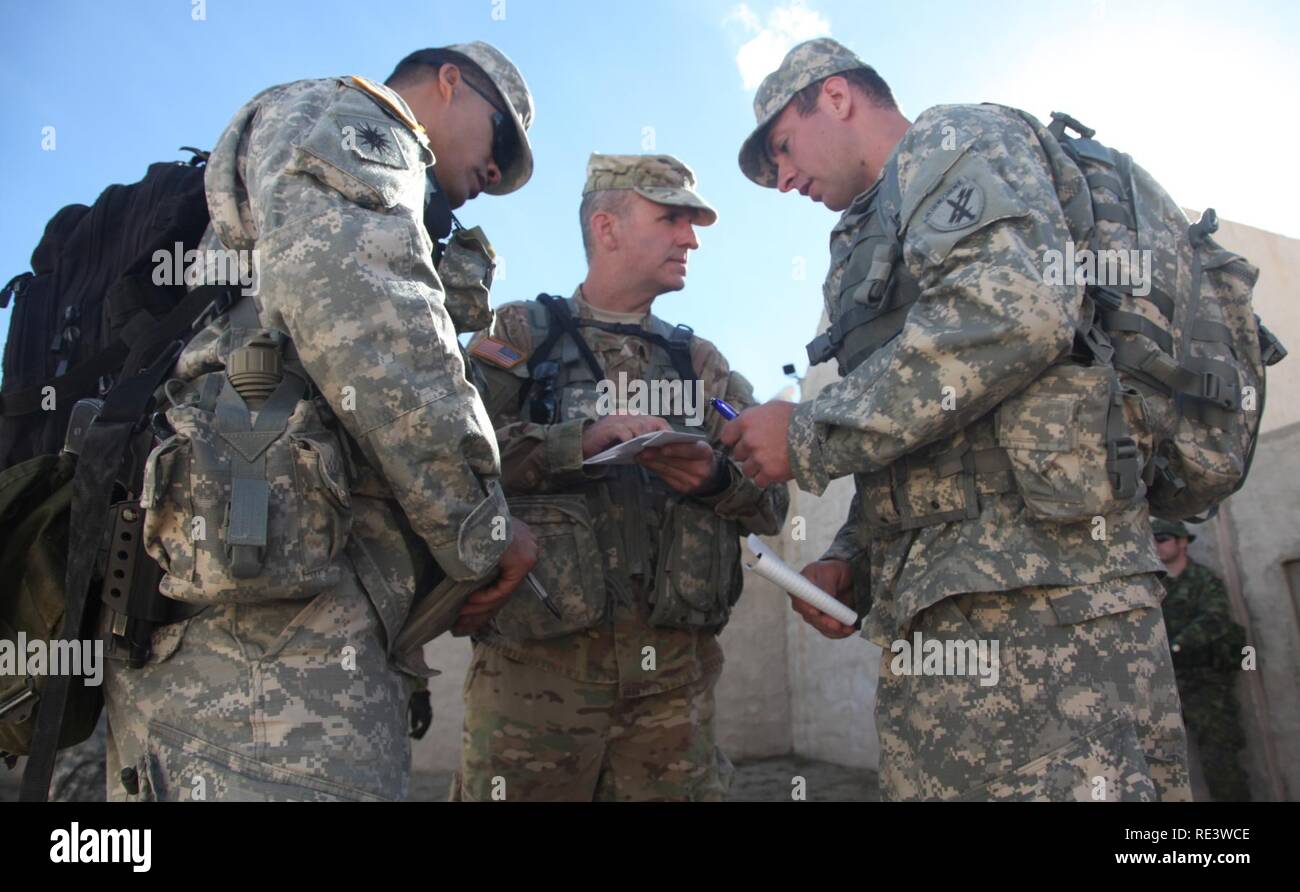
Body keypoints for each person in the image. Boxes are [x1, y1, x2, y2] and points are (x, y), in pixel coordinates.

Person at [721, 38, 1190, 801]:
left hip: (1041, 606)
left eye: (780, 148)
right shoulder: (871, 233)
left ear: (835, 97)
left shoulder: (951, 141)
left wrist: (806, 430)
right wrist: (854, 558)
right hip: (950, 608)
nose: (782, 180)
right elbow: (933, 428)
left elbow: (1018, 311)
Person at [103, 41, 538, 802]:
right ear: (448, 82)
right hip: (264, 654)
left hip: (281, 619)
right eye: (501, 141)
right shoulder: (357, 116)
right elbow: (365, 316)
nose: (495, 176)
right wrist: (481, 526)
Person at [453, 153, 788, 801]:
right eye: (671, 219)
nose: (691, 238)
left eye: (692, 224)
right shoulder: (520, 335)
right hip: (536, 681)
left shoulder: (700, 365)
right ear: (606, 229)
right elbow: (453, 461)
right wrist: (573, 444)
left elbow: (772, 500)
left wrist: (715, 478)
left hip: (673, 687)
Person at [1153, 518, 1251, 801]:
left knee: (1220, 760)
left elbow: (1215, 619)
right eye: (1154, 540)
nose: (1157, 546)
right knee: (1160, 763)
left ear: (1182, 542)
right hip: (1166, 686)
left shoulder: (1204, 581)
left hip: (1206, 684)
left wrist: (1177, 646)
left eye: (1163, 539)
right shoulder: (1152, 587)